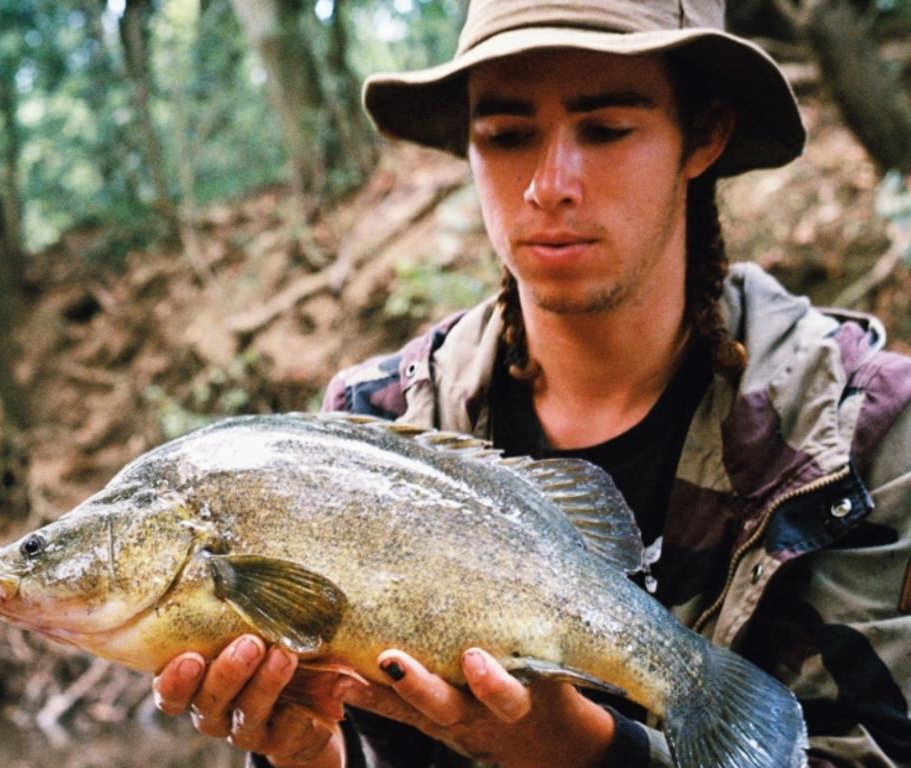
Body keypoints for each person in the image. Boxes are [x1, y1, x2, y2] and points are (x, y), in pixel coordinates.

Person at [152, 0, 911, 765]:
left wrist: (580, 749)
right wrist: (309, 758)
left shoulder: (862, 436)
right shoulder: (370, 429)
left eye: (607, 129)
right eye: (508, 136)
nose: (550, 184)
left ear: (703, 136)